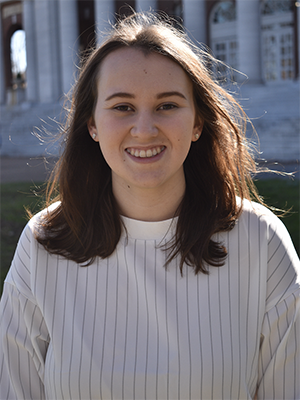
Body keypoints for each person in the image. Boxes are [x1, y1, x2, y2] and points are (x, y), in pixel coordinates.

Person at [0, 12, 299, 400]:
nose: (144, 129)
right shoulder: (42, 244)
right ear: (91, 123)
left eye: (167, 105)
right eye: (122, 107)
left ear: (197, 122)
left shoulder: (262, 242)